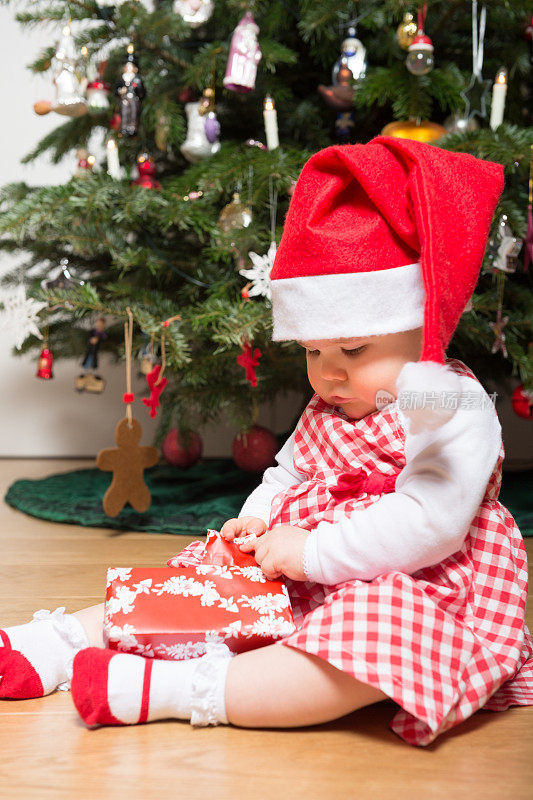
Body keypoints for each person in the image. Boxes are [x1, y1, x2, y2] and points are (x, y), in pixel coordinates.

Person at [1, 137, 532, 747]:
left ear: (420, 325)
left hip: (414, 579)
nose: (329, 373)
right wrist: (255, 521)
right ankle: (67, 640)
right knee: (198, 587)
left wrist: (313, 552)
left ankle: (177, 691)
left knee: (370, 636)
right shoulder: (333, 401)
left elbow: (429, 521)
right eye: (312, 352)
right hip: (299, 560)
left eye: (354, 351)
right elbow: (288, 472)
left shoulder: (447, 405)